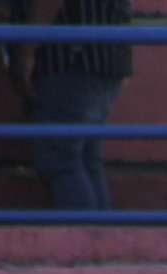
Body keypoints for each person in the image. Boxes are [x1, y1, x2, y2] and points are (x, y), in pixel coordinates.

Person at [18, 0, 138, 213]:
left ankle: (88, 239)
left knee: (61, 161)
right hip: (109, 57)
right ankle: (103, 238)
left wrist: (26, 50)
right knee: (86, 159)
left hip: (70, 58)